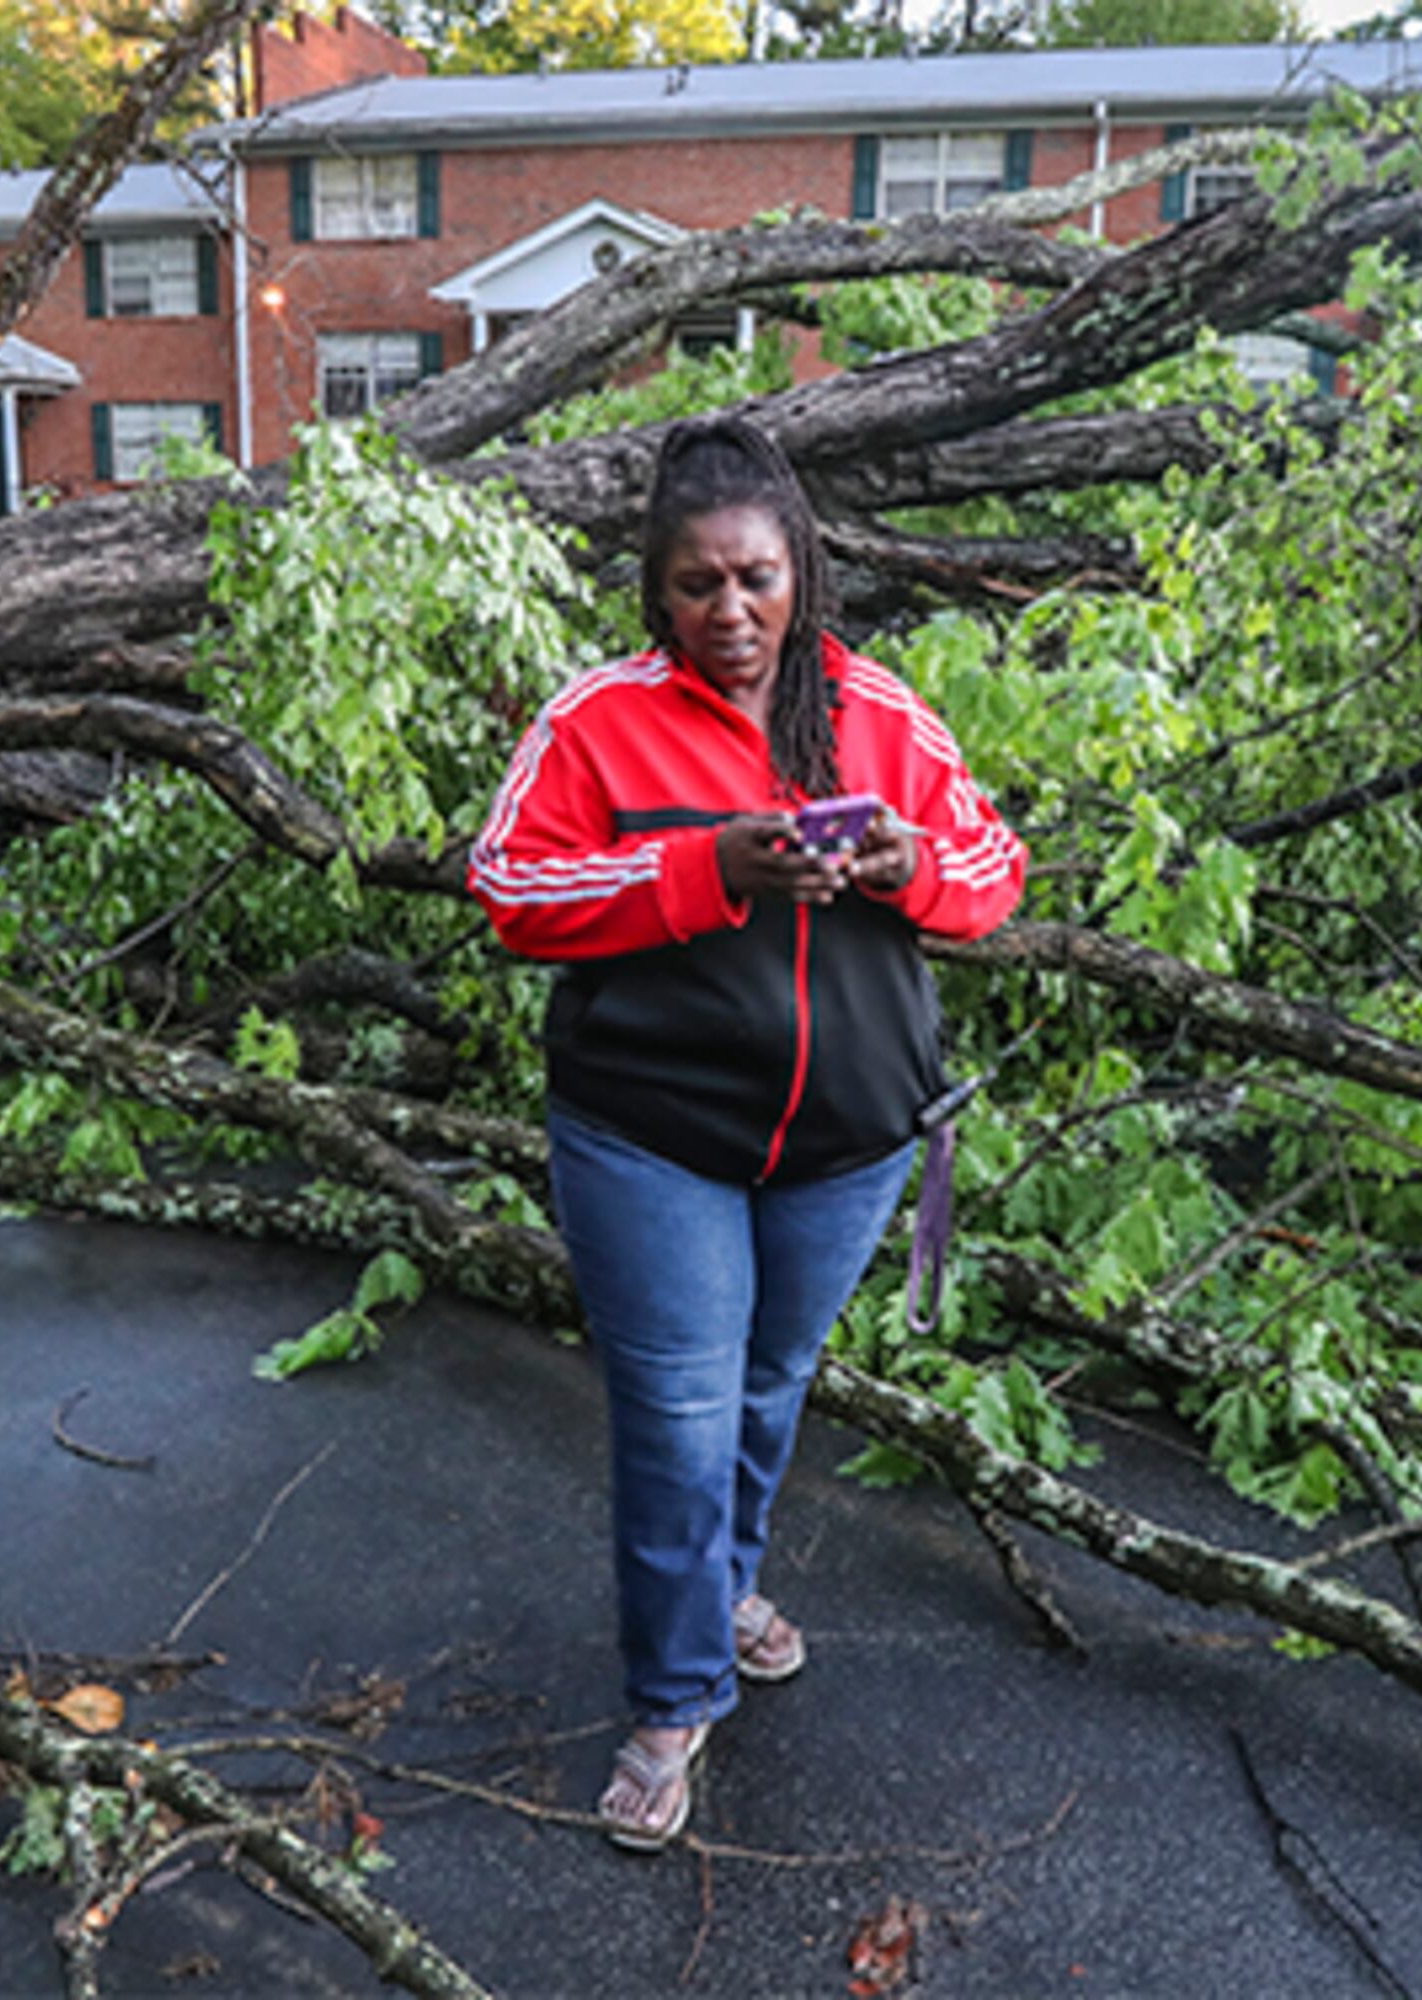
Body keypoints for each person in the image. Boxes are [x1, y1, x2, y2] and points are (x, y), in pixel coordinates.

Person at [468, 416, 1029, 1850]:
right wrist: (711, 863)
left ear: (804, 576)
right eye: (699, 586)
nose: (732, 614)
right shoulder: (599, 721)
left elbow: (994, 867)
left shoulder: (879, 716)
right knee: (675, 1415)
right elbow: (512, 891)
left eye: (758, 581)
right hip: (650, 1135)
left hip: (846, 1147)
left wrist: (907, 869)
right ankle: (672, 1702)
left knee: (771, 1386)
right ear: (656, 591)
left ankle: (721, 1587)